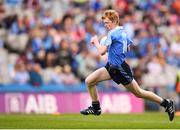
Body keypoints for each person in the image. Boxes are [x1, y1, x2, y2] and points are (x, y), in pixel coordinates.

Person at [80, 9, 175, 121]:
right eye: (104, 23)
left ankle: (166, 103)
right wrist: (112, 48)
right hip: (111, 66)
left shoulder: (112, 33)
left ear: (114, 21)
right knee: (89, 81)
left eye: (107, 22)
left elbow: (101, 52)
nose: (105, 25)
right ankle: (96, 108)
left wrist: (95, 42)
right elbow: (128, 48)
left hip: (119, 68)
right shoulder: (123, 33)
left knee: (139, 93)